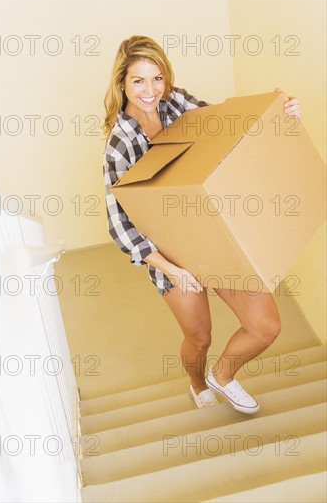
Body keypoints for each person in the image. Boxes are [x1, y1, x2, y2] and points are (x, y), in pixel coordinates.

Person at [102, 35, 301, 414]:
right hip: (170, 257)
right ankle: (197, 384)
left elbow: (227, 130)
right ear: (122, 84)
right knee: (199, 337)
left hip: (212, 235)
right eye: (139, 81)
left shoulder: (176, 102)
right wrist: (173, 270)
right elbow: (120, 224)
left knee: (266, 326)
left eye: (157, 78)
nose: (150, 90)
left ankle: (221, 376)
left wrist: (280, 112)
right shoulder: (120, 144)